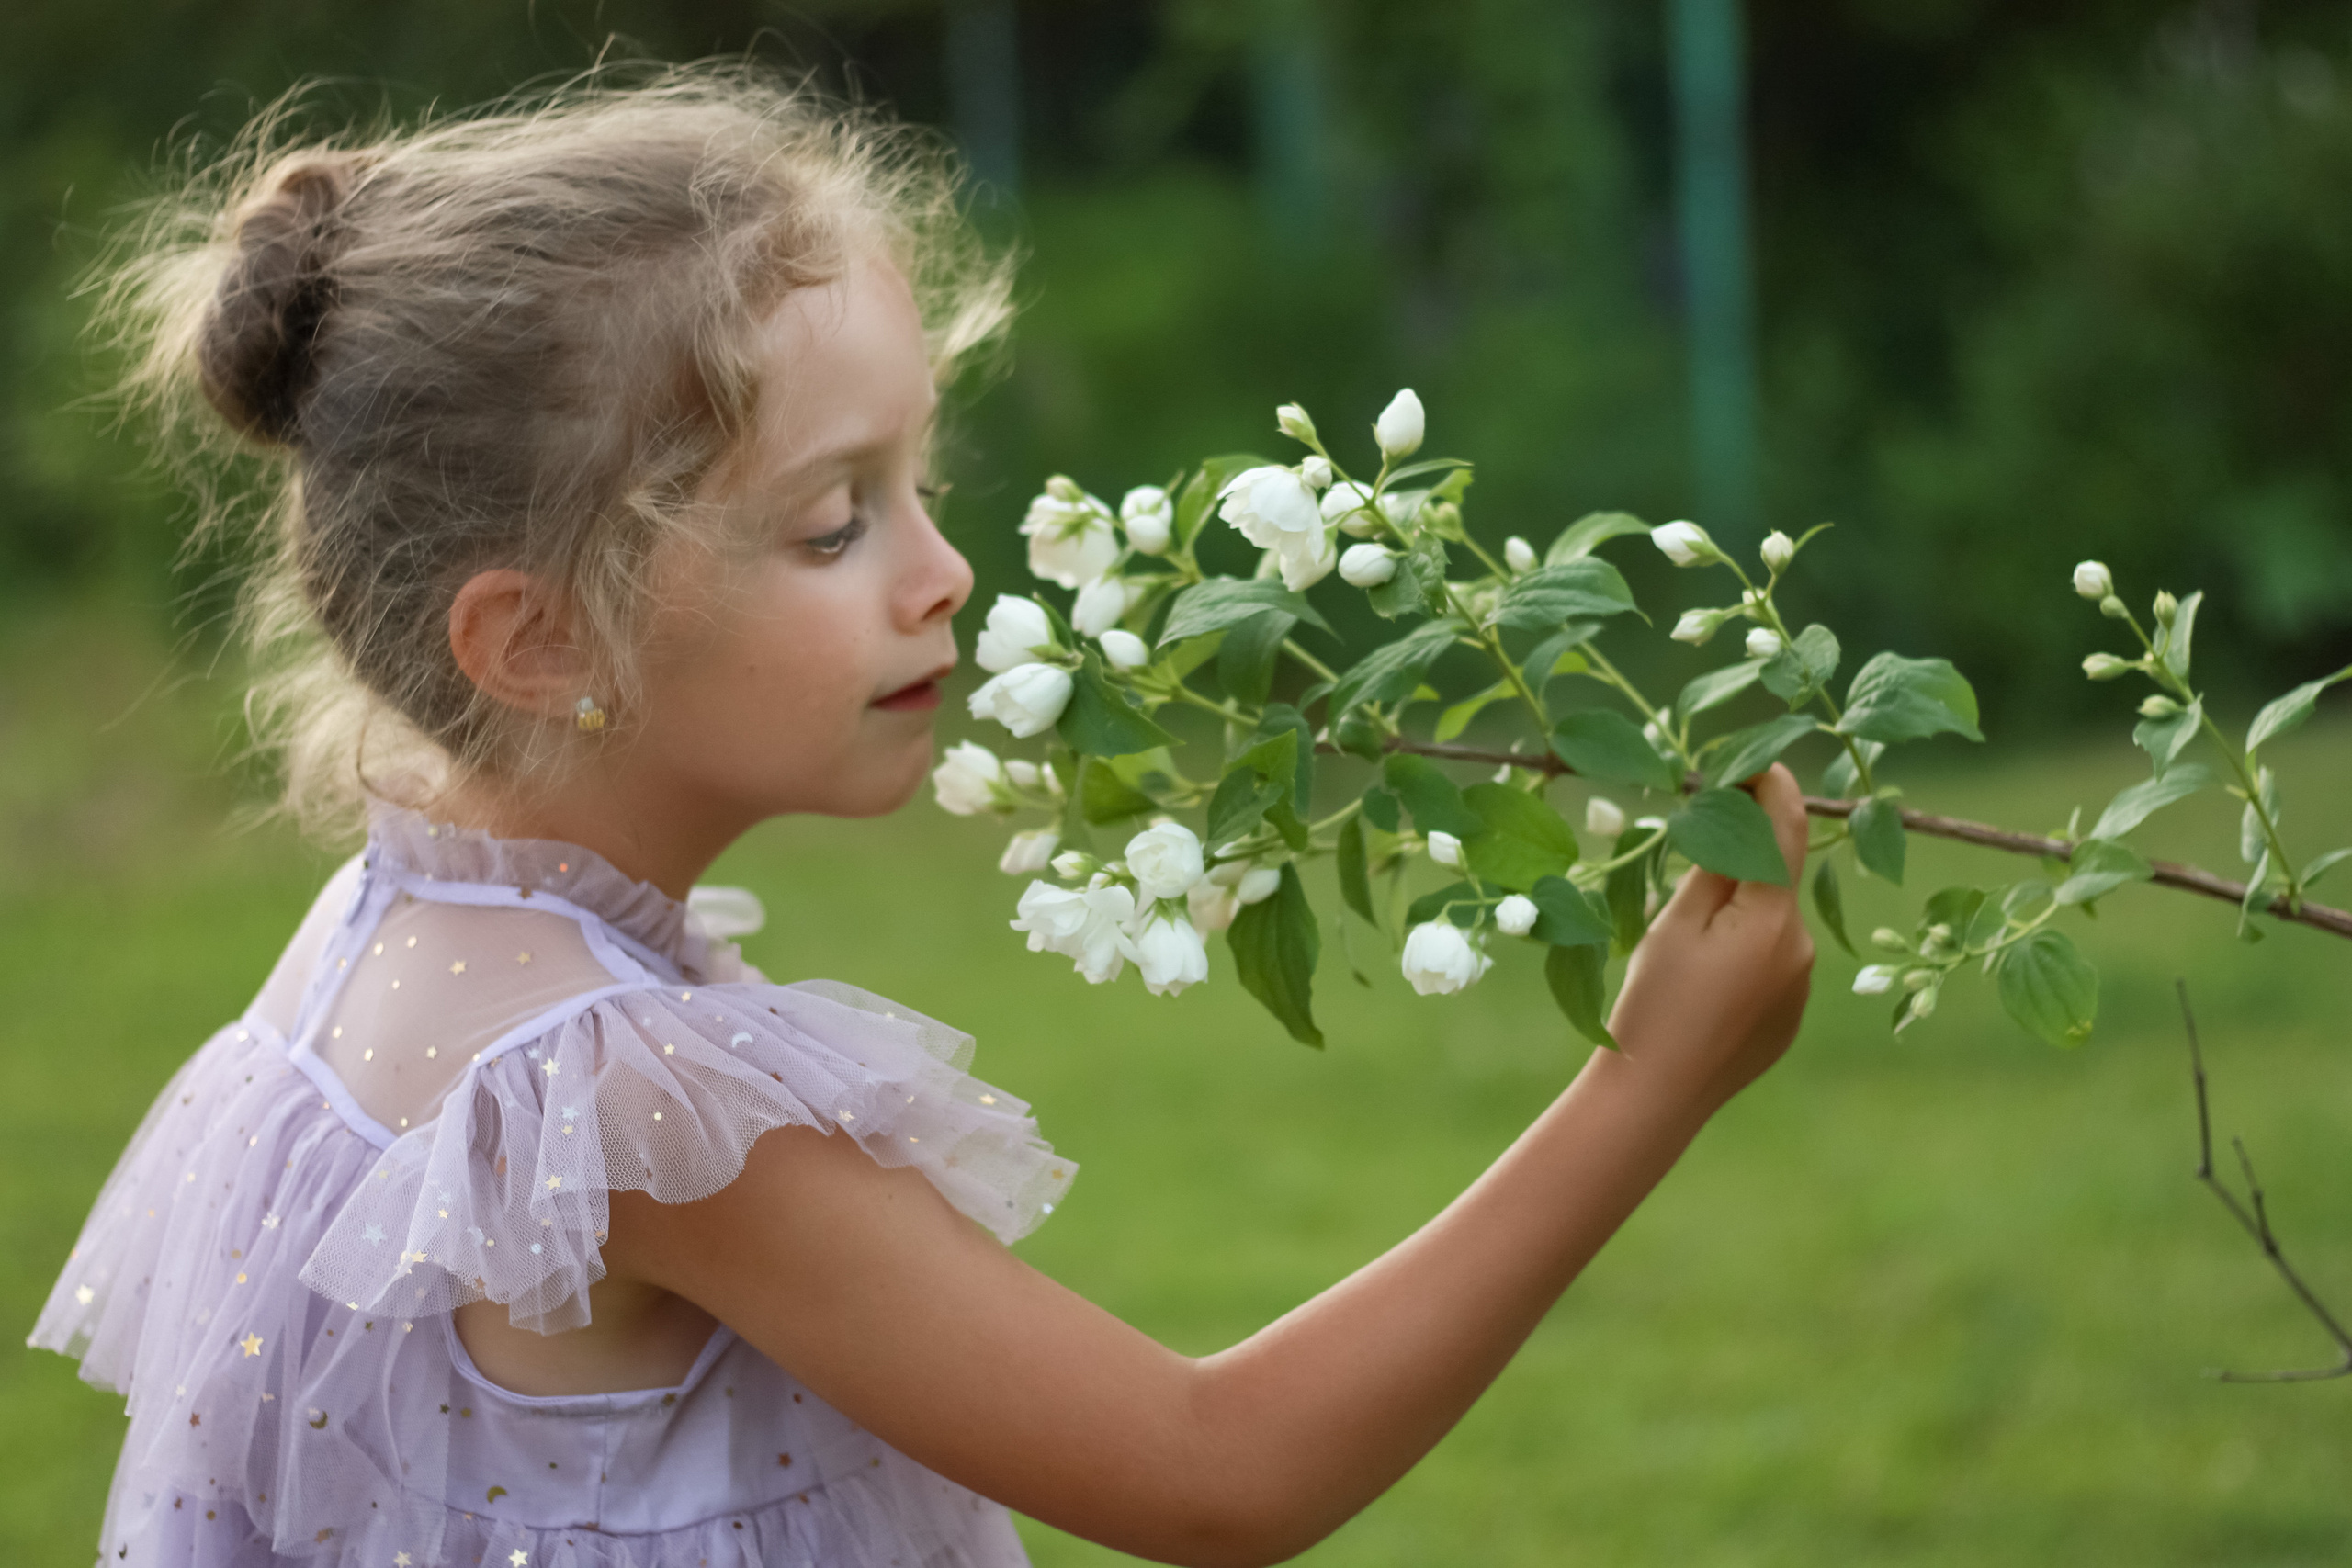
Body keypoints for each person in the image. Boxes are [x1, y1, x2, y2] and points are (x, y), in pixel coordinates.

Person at [30, 65, 1815, 1568]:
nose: (945, 574)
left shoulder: (385, 940)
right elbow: (1215, 1466)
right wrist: (1646, 1081)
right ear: (536, 635)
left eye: (918, 483)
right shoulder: (631, 1099)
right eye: (833, 523)